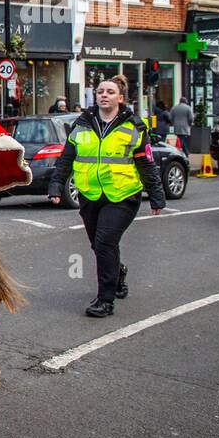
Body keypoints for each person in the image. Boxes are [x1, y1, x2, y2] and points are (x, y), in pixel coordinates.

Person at [49, 74, 165, 318]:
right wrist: (56, 186)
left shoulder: (134, 126)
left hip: (123, 195)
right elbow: (66, 159)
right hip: (90, 194)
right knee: (98, 245)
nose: (104, 95)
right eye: (100, 91)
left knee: (104, 242)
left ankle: (105, 300)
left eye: (110, 92)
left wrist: (156, 195)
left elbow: (146, 163)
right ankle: (117, 272)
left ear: (120, 98)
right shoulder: (81, 124)